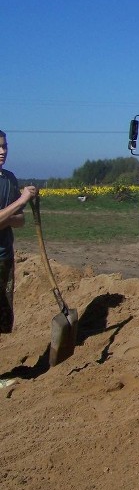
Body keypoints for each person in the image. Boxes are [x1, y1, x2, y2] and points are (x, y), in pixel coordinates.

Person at [0, 130, 38, 340]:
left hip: (5, 256)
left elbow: (21, 220)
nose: (2, 151)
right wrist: (21, 201)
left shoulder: (9, 179)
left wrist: (6, 218)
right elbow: (18, 211)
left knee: (3, 316)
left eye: (5, 146)